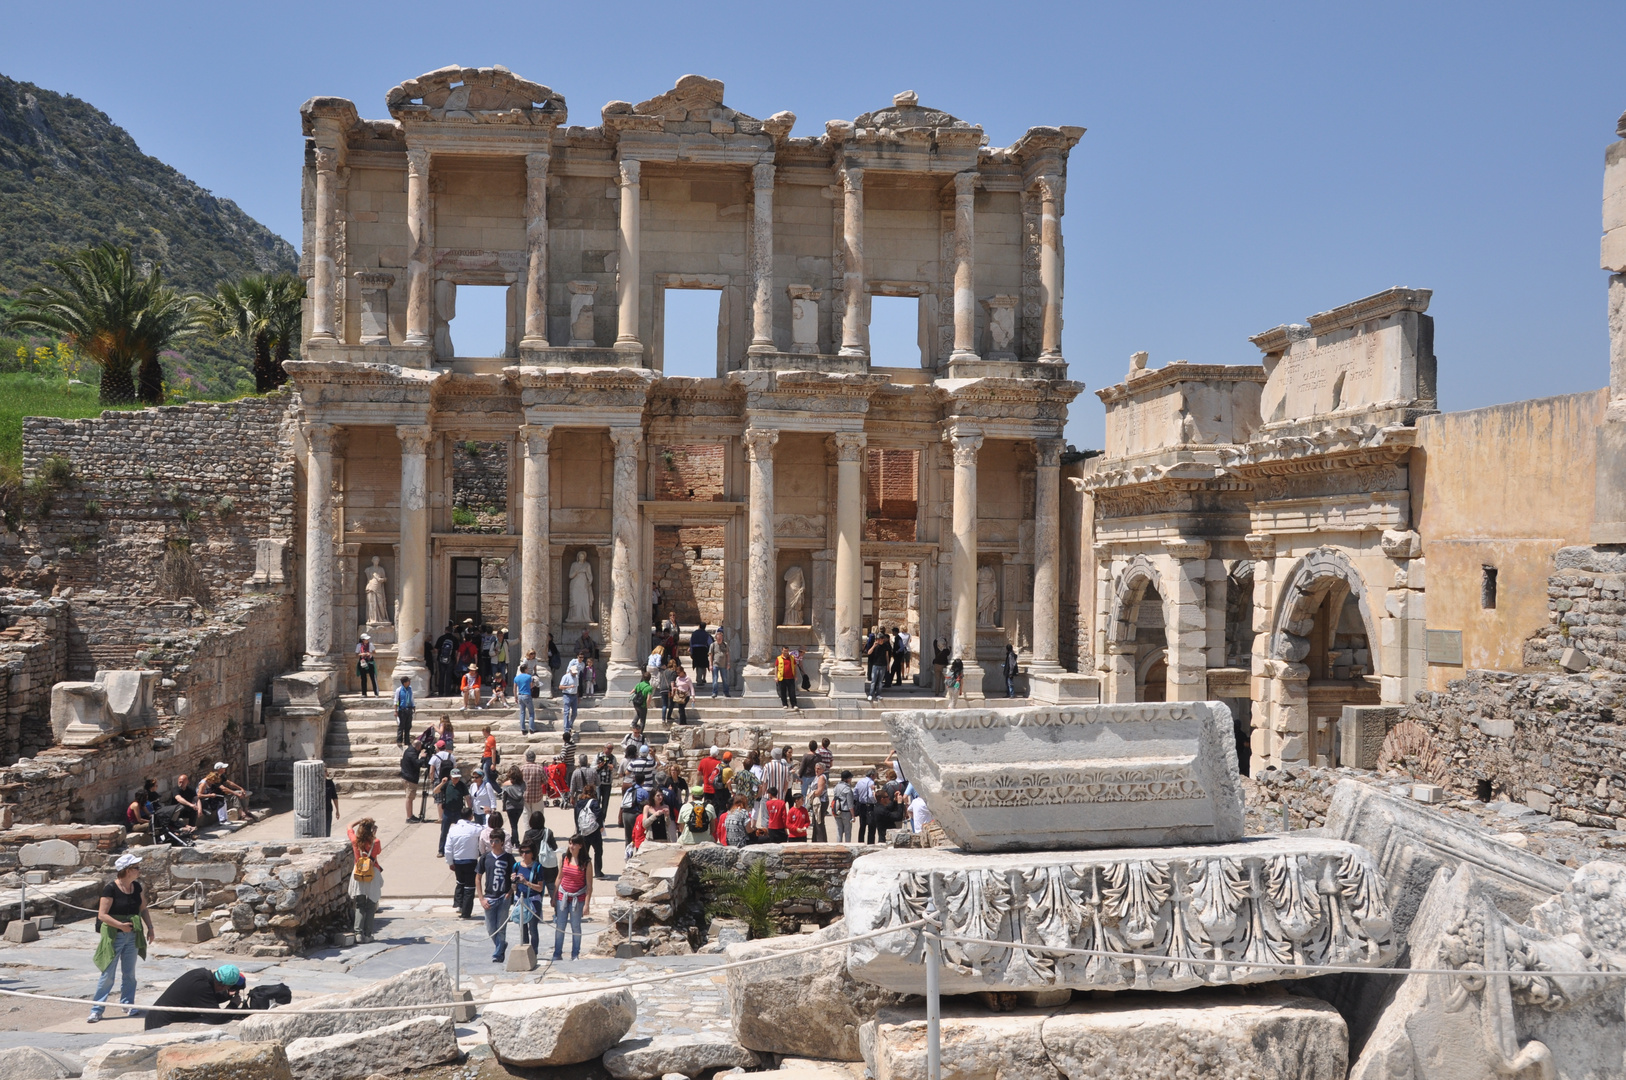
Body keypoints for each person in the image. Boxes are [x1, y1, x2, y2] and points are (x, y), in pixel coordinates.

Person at [89, 853, 154, 1022]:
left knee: (129, 973)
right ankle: (97, 1009)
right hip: (114, 936)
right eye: (136, 868)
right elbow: (102, 915)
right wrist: (120, 926)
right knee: (108, 974)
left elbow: (143, 909)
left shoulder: (136, 887)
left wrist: (150, 928)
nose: (139, 870)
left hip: (132, 935)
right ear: (126, 870)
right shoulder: (110, 888)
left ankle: (128, 1004)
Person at [142, 965, 246, 1030]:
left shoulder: (201, 974)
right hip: (159, 1026)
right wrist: (233, 1005)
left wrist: (226, 995)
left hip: (155, 1018)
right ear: (224, 986)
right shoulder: (201, 987)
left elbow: (205, 999)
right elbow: (217, 1018)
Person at [552, 835, 593, 961]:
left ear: (580, 846)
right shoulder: (564, 858)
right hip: (563, 896)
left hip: (578, 897)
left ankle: (575, 954)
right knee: (560, 925)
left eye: (574, 844)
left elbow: (589, 885)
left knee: (575, 926)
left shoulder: (586, 863)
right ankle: (557, 953)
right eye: (570, 843)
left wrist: (587, 904)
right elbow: (559, 877)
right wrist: (554, 896)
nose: (571, 846)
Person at [478, 830, 516, 963]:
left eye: (497, 841)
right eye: (492, 841)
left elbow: (514, 878)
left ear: (502, 842)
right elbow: (478, 877)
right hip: (489, 897)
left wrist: (510, 892)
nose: (493, 844)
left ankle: (498, 954)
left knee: (501, 927)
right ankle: (501, 945)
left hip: (503, 897)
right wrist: (481, 898)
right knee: (490, 928)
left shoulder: (509, 858)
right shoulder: (485, 857)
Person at [347, 818, 384, 942]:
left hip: (358, 874)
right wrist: (373, 835)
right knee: (371, 905)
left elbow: (349, 826)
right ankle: (368, 935)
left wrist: (359, 821)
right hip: (372, 874)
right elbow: (377, 852)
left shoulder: (355, 841)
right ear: (372, 830)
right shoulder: (376, 842)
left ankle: (358, 933)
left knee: (359, 905)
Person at [444, 804, 483, 919]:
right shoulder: (475, 828)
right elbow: (486, 828)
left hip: (457, 861)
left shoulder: (453, 829)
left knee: (460, 882)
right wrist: (487, 814)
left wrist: (450, 862)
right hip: (471, 861)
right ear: (471, 816)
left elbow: (448, 848)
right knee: (470, 887)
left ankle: (459, 904)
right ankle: (466, 912)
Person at [434, 764, 470, 859]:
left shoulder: (462, 785)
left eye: (457, 778)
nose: (456, 780)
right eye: (454, 778)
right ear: (451, 777)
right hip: (447, 812)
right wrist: (442, 783)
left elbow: (467, 797)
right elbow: (435, 791)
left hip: (459, 812)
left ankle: (460, 850)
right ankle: (441, 850)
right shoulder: (446, 784)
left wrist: (469, 810)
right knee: (444, 832)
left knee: (461, 832)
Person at [574, 790, 605, 878]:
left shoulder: (579, 803)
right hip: (594, 831)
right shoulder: (594, 802)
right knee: (598, 851)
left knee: (584, 852)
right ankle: (598, 872)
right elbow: (599, 814)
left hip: (583, 831)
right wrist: (600, 826)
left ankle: (582, 870)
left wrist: (578, 830)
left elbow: (576, 817)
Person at [520, 748, 548, 826]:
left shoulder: (522, 768)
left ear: (526, 758)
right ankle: (538, 831)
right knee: (538, 815)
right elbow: (546, 780)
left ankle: (528, 833)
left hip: (525, 796)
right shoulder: (539, 768)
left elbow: (518, 782)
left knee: (526, 816)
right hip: (537, 796)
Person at [401, 742, 427, 824]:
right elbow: (418, 763)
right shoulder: (411, 753)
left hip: (406, 776)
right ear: (418, 746)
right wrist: (422, 758)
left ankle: (410, 815)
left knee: (410, 797)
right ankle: (409, 817)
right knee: (409, 797)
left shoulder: (409, 750)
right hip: (410, 778)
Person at [500, 765, 528, 838]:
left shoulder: (506, 784)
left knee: (513, 825)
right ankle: (514, 840)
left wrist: (504, 807)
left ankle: (515, 841)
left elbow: (504, 797)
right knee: (515, 824)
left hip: (510, 806)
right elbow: (524, 790)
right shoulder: (522, 783)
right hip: (520, 806)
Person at [866, 628, 892, 703]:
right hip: (875, 665)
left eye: (881, 639)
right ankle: (871, 694)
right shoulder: (875, 646)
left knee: (880, 681)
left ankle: (878, 694)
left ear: (883, 639)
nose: (880, 640)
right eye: (878, 639)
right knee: (873, 680)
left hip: (883, 665)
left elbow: (887, 655)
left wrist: (888, 664)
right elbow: (869, 652)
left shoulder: (885, 646)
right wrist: (873, 646)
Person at [855, 768, 879, 844]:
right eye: (875, 775)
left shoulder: (860, 781)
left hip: (861, 805)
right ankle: (870, 843)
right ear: (872, 775)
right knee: (871, 826)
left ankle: (860, 842)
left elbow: (855, 793)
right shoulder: (871, 782)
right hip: (869, 806)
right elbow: (871, 795)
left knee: (862, 825)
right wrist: (876, 801)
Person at [831, 770, 855, 842]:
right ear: (847, 779)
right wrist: (853, 815)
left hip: (837, 810)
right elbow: (850, 804)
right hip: (846, 812)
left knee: (839, 831)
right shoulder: (848, 789)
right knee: (847, 832)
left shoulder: (836, 787)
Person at [809, 763, 830, 843]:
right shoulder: (817, 777)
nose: (816, 770)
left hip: (821, 801)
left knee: (819, 821)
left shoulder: (821, 777)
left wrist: (811, 794)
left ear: (823, 770)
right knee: (815, 821)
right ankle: (815, 839)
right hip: (817, 801)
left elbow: (819, 792)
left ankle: (821, 841)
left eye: (819, 769)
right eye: (816, 768)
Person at [558, 662, 580, 739]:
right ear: (570, 671)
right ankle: (566, 729)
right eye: (573, 672)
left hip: (574, 696)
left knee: (574, 713)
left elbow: (577, 687)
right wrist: (568, 686)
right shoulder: (565, 677)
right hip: (567, 695)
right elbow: (560, 687)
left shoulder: (576, 677)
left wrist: (578, 697)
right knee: (566, 712)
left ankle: (570, 725)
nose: (574, 674)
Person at [513, 662, 536, 734]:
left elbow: (514, 688)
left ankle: (523, 728)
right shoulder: (529, 677)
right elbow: (531, 686)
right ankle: (531, 728)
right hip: (527, 695)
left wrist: (515, 697)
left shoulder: (516, 678)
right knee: (531, 712)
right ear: (525, 669)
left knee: (522, 712)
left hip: (520, 695)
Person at [393, 675, 415, 746]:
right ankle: (399, 740)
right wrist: (395, 711)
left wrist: (413, 706)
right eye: (408, 681)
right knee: (401, 726)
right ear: (404, 682)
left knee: (408, 726)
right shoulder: (399, 690)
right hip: (402, 710)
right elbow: (396, 700)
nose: (409, 682)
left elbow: (411, 698)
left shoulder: (410, 689)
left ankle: (407, 741)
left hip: (409, 709)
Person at [709, 626, 731, 697]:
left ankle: (726, 692)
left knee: (725, 679)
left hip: (723, 665)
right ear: (716, 638)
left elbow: (727, 654)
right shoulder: (713, 645)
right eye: (718, 638)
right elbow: (710, 655)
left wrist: (728, 663)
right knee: (715, 679)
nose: (719, 639)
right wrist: (710, 665)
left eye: (720, 638)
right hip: (715, 664)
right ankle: (714, 692)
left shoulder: (725, 645)